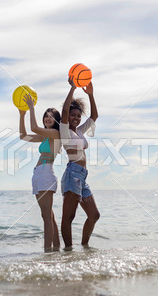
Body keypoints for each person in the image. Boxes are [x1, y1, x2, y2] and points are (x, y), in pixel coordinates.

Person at [59, 76, 100, 250]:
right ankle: (68, 251)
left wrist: (90, 94)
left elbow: (95, 116)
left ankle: (85, 247)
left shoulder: (80, 131)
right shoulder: (64, 130)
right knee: (69, 217)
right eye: (73, 115)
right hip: (72, 174)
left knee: (94, 215)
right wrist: (73, 88)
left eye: (78, 115)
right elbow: (65, 111)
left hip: (83, 177)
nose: (75, 118)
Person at [18, 94, 61, 252]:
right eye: (46, 116)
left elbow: (34, 128)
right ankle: (57, 248)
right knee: (48, 215)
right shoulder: (44, 137)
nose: (48, 119)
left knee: (46, 217)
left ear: (56, 121)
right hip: (38, 174)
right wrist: (22, 115)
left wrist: (31, 108)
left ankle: (47, 252)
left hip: (46, 174)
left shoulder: (56, 134)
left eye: (51, 117)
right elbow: (23, 136)